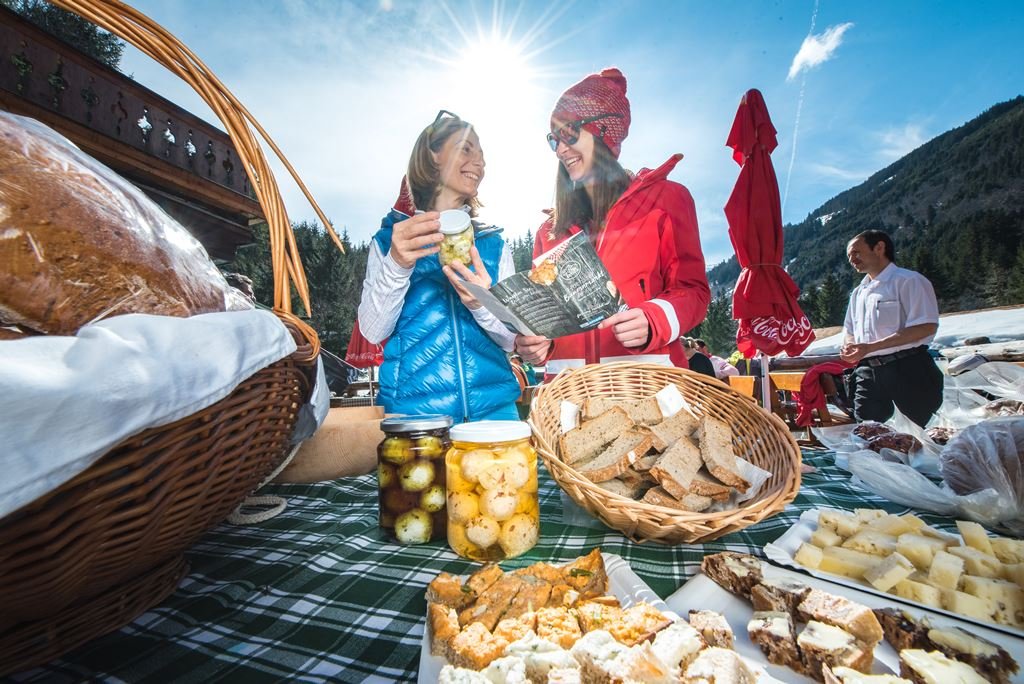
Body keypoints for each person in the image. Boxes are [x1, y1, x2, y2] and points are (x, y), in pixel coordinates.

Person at [514, 68, 710, 376]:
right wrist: (538, 346)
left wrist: (654, 319)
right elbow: (551, 321)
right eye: (554, 140)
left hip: (645, 388)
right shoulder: (549, 232)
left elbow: (694, 290)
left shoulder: (666, 200)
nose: (561, 150)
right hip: (568, 396)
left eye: (569, 134)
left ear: (602, 131)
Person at [357, 111, 521, 422]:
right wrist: (397, 265)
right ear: (432, 156)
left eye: (482, 154)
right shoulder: (390, 240)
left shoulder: (494, 245)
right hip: (415, 419)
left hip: (494, 414)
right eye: (466, 148)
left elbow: (512, 340)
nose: (480, 162)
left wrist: (480, 303)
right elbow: (373, 330)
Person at [840, 229, 943, 428]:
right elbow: (849, 330)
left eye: (856, 252)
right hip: (868, 372)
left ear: (879, 247)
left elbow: (926, 327)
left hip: (908, 368)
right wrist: (850, 347)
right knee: (866, 432)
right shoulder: (858, 293)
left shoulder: (909, 281)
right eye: (849, 256)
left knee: (919, 434)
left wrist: (871, 347)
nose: (852, 259)